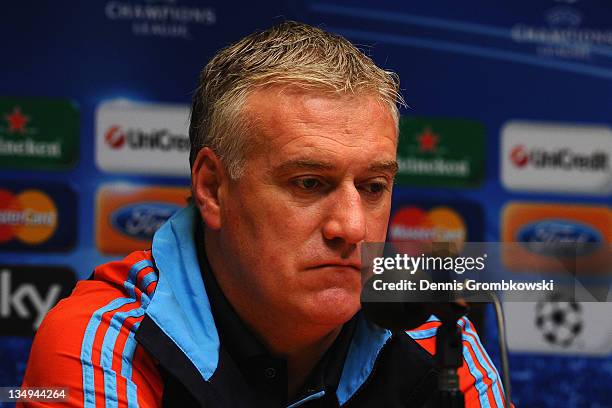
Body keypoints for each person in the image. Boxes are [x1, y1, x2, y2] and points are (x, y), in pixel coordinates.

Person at [21, 21, 509, 407]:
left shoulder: (435, 332)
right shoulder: (104, 342)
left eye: (373, 187)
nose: (353, 227)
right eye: (309, 183)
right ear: (212, 188)